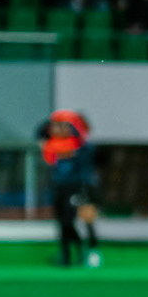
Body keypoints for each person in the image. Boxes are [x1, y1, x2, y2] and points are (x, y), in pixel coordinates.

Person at [41, 109, 100, 268]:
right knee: (62, 223)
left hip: (77, 187)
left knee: (82, 219)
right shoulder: (53, 146)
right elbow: (41, 132)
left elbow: (86, 161)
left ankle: (90, 249)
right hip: (59, 187)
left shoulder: (81, 147)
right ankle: (67, 254)